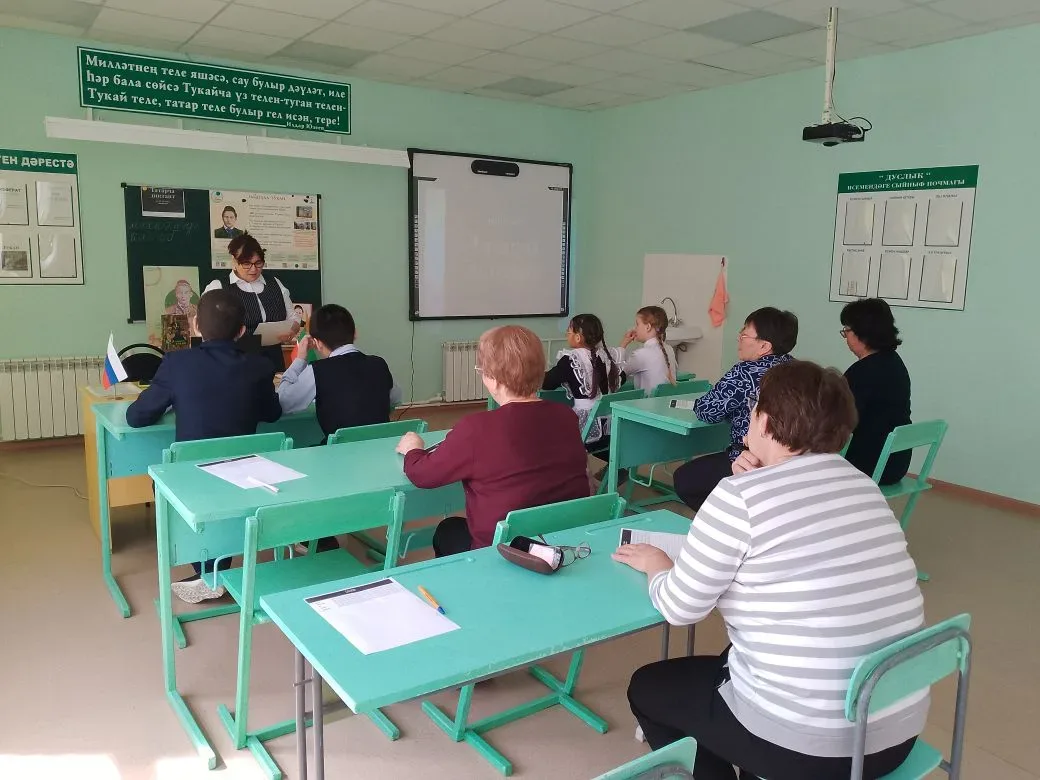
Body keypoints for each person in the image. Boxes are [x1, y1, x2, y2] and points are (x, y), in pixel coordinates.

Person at [615, 360, 924, 780]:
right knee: (732, 661)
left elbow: (680, 608)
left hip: (810, 751)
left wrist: (658, 565)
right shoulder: (864, 485)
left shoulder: (738, 497)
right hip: (894, 734)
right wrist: (760, 479)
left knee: (647, 688)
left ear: (764, 419)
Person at [127, 289, 281, 604]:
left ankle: (209, 570)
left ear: (196, 325)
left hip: (193, 476)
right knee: (224, 484)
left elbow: (137, 417)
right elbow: (272, 413)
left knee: (164, 484)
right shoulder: (259, 366)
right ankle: (216, 568)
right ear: (242, 331)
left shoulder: (177, 363)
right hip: (246, 474)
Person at [397, 325, 590, 557]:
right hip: (564, 542)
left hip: (503, 551)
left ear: (494, 380)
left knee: (448, 529)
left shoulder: (476, 428)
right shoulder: (566, 416)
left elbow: (423, 475)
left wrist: (413, 449)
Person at [671, 307, 797, 511]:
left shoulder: (744, 372)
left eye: (744, 334)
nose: (739, 338)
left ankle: (731, 517)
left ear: (764, 346)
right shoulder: (796, 368)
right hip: (791, 461)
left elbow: (707, 411)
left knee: (685, 479)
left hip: (751, 461)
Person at [277, 304, 402, 433]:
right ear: (355, 333)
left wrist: (299, 360)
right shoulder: (379, 364)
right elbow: (396, 398)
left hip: (339, 445)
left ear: (317, 343)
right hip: (380, 442)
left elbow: (282, 403)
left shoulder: (317, 371)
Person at [203, 232, 301, 374]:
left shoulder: (274, 283)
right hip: (234, 362)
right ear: (234, 262)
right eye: (247, 264)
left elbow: (293, 316)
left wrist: (292, 330)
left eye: (258, 263)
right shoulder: (218, 287)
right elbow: (206, 327)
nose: (254, 269)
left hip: (272, 360)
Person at [840, 298, 912, 484]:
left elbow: (841, 422)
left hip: (868, 464)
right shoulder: (895, 362)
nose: (845, 337)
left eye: (846, 330)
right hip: (897, 461)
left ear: (861, 333)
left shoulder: (861, 372)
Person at [543, 313, 625, 450]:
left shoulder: (571, 359)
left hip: (586, 429)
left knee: (548, 433)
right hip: (609, 428)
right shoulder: (605, 356)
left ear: (578, 337)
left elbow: (547, 384)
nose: (566, 335)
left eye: (568, 332)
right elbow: (621, 378)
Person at [619, 305, 677, 393]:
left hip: (647, 401)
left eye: (637, 324)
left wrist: (623, 343)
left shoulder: (641, 354)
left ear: (648, 327)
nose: (635, 328)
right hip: (665, 400)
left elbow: (618, 376)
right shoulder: (670, 349)